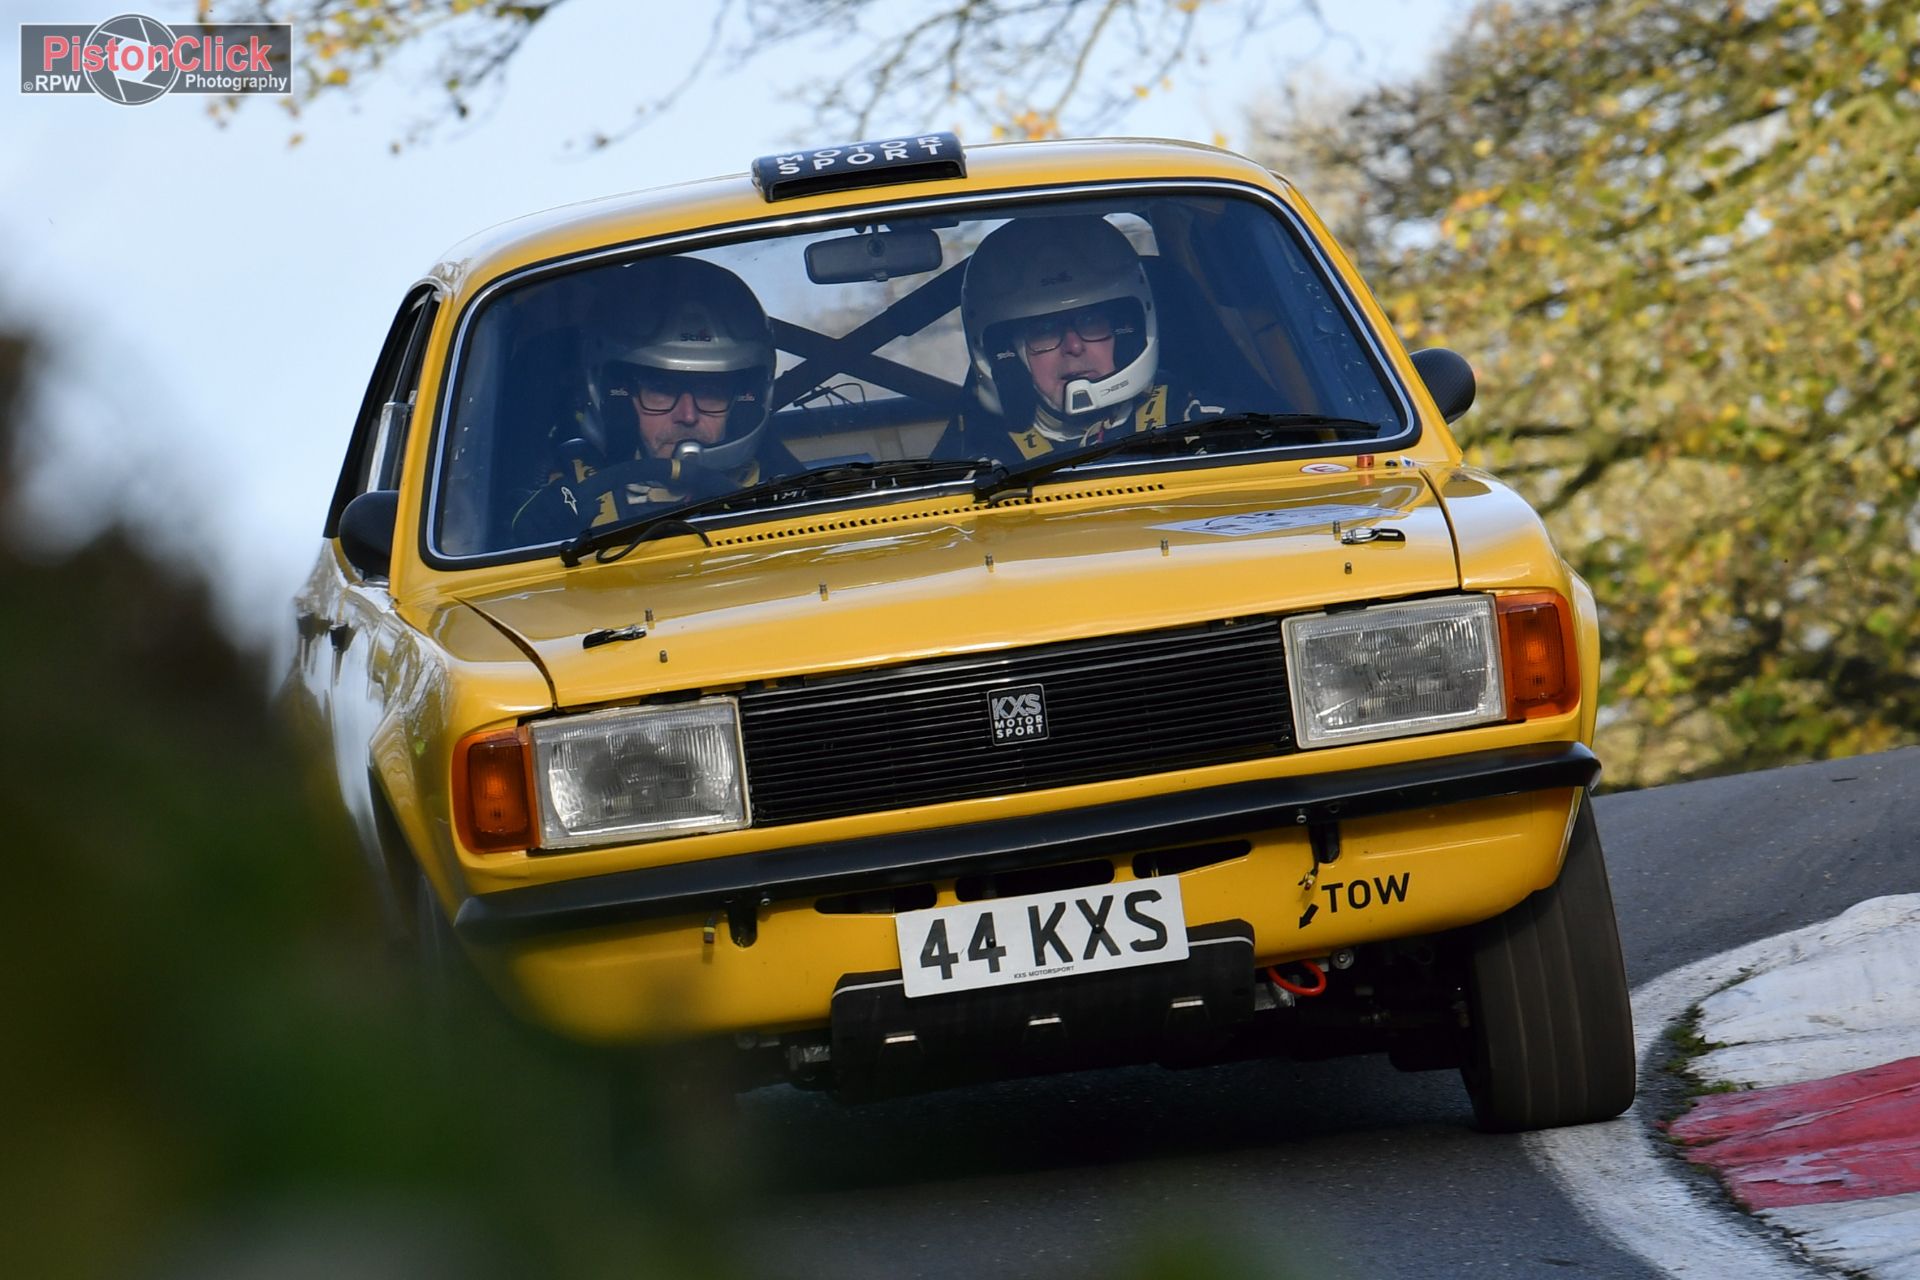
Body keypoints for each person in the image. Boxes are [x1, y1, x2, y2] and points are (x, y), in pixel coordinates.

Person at [513, 256, 780, 540]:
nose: (688, 416)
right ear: (613, 397)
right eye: (661, 390)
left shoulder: (792, 494)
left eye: (710, 392)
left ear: (745, 403)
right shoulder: (561, 501)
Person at [948, 214, 1221, 463]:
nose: (1074, 347)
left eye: (1091, 322)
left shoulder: (1188, 417)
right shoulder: (985, 457)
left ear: (1128, 333)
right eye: (1045, 330)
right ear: (1009, 355)